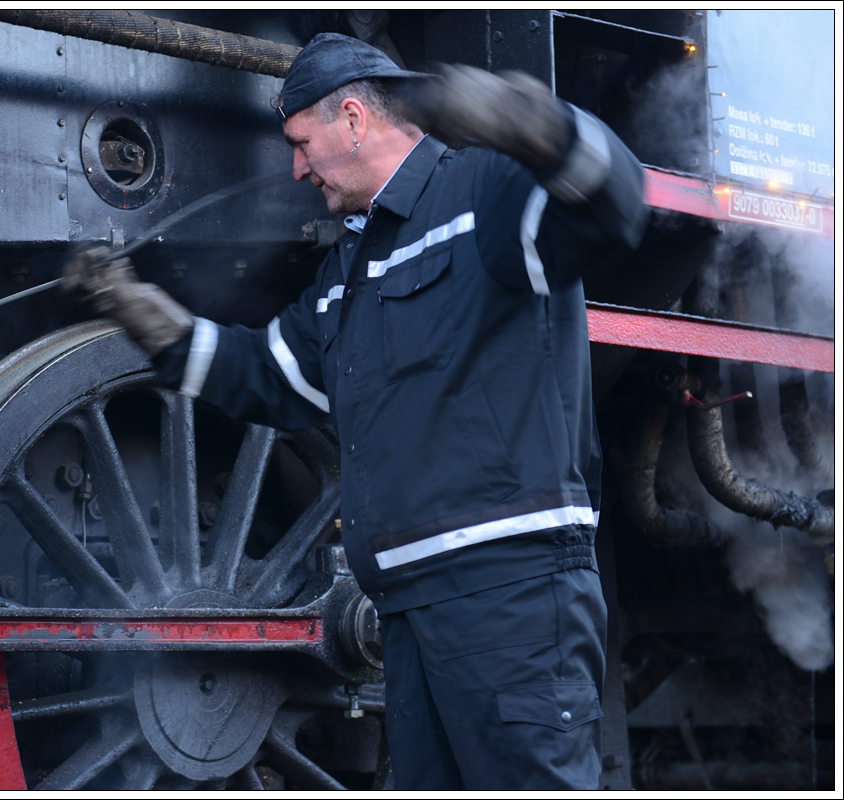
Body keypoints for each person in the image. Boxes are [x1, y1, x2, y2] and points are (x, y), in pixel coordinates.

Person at [65, 32, 646, 789]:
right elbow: (267, 377)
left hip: (510, 599)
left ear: (353, 117)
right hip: (408, 611)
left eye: (301, 143)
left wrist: (522, 120)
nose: (297, 167)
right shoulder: (351, 271)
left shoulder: (486, 196)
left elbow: (614, 201)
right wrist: (144, 315)